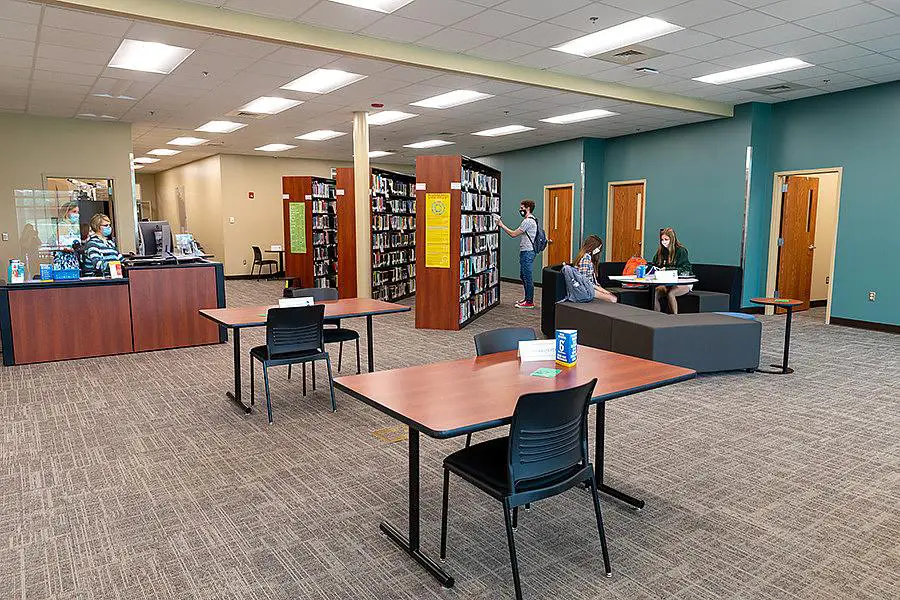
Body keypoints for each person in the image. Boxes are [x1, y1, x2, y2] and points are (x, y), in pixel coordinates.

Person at [497, 199, 539, 308]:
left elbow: (513, 234)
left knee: (527, 276)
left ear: (528, 208)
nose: (520, 210)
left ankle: (529, 302)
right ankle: (527, 298)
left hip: (527, 252)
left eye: (522, 208)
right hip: (527, 251)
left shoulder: (528, 221)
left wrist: (501, 225)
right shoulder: (532, 219)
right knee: (523, 275)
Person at [648, 227, 693, 313]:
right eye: (662, 239)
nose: (663, 242)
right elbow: (654, 264)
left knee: (671, 293)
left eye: (666, 239)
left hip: (683, 282)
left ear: (672, 239)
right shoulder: (661, 252)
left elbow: (685, 269)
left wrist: (668, 269)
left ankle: (674, 319)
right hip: (667, 283)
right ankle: (656, 317)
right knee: (655, 292)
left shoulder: (681, 251)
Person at [574, 235, 618, 303]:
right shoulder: (586, 258)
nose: (598, 251)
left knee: (611, 295)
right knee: (613, 299)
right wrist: (601, 290)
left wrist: (600, 288)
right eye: (598, 248)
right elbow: (584, 280)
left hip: (590, 287)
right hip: (586, 289)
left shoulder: (587, 257)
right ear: (593, 247)